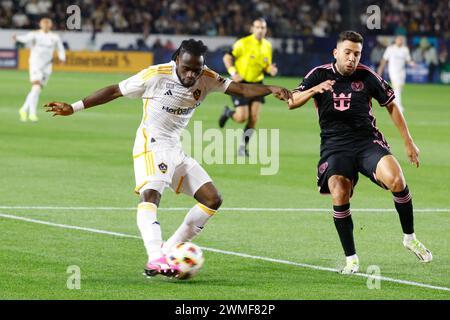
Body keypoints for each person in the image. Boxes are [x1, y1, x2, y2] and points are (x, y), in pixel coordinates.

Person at [44, 39, 291, 278]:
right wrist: (74, 107)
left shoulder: (206, 76)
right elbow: (114, 90)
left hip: (175, 148)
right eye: (187, 69)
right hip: (151, 144)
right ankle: (155, 257)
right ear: (176, 61)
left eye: (197, 70)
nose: (192, 75)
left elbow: (242, 88)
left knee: (212, 199)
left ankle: (168, 251)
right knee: (151, 194)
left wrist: (270, 88)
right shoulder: (155, 75)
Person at [288, 31, 432, 274]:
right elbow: (291, 100)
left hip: (366, 142)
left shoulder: (367, 76)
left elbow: (391, 106)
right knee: (339, 192)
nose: (352, 58)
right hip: (335, 146)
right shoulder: (319, 74)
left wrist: (409, 142)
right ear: (336, 53)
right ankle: (352, 259)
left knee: (397, 180)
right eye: (347, 53)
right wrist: (315, 90)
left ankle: (409, 237)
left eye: (357, 54)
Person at [218, 18, 278, 157]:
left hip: (257, 84)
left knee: (254, 118)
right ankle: (228, 113)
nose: (260, 30)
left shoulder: (267, 45)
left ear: (266, 29)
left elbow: (265, 64)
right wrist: (233, 72)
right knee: (241, 117)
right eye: (257, 27)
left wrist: (270, 69)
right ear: (252, 28)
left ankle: (242, 148)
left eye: (262, 28)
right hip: (241, 84)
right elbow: (227, 57)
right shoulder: (243, 43)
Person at [13, 17, 65, 122]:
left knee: (36, 90)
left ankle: (23, 109)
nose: (46, 25)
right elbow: (25, 38)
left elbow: (60, 48)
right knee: (36, 88)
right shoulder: (35, 34)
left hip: (47, 66)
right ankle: (32, 114)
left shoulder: (54, 37)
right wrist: (17, 38)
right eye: (44, 24)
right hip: (35, 65)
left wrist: (62, 58)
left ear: (50, 25)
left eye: (47, 24)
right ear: (40, 25)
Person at [377, 36, 415, 113]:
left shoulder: (405, 49)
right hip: (393, 71)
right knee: (397, 87)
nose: (400, 41)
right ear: (396, 41)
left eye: (401, 40)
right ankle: (398, 106)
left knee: (399, 88)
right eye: (398, 40)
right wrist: (380, 69)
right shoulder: (390, 49)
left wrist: (411, 63)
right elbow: (384, 59)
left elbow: (407, 60)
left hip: (402, 72)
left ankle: (392, 101)